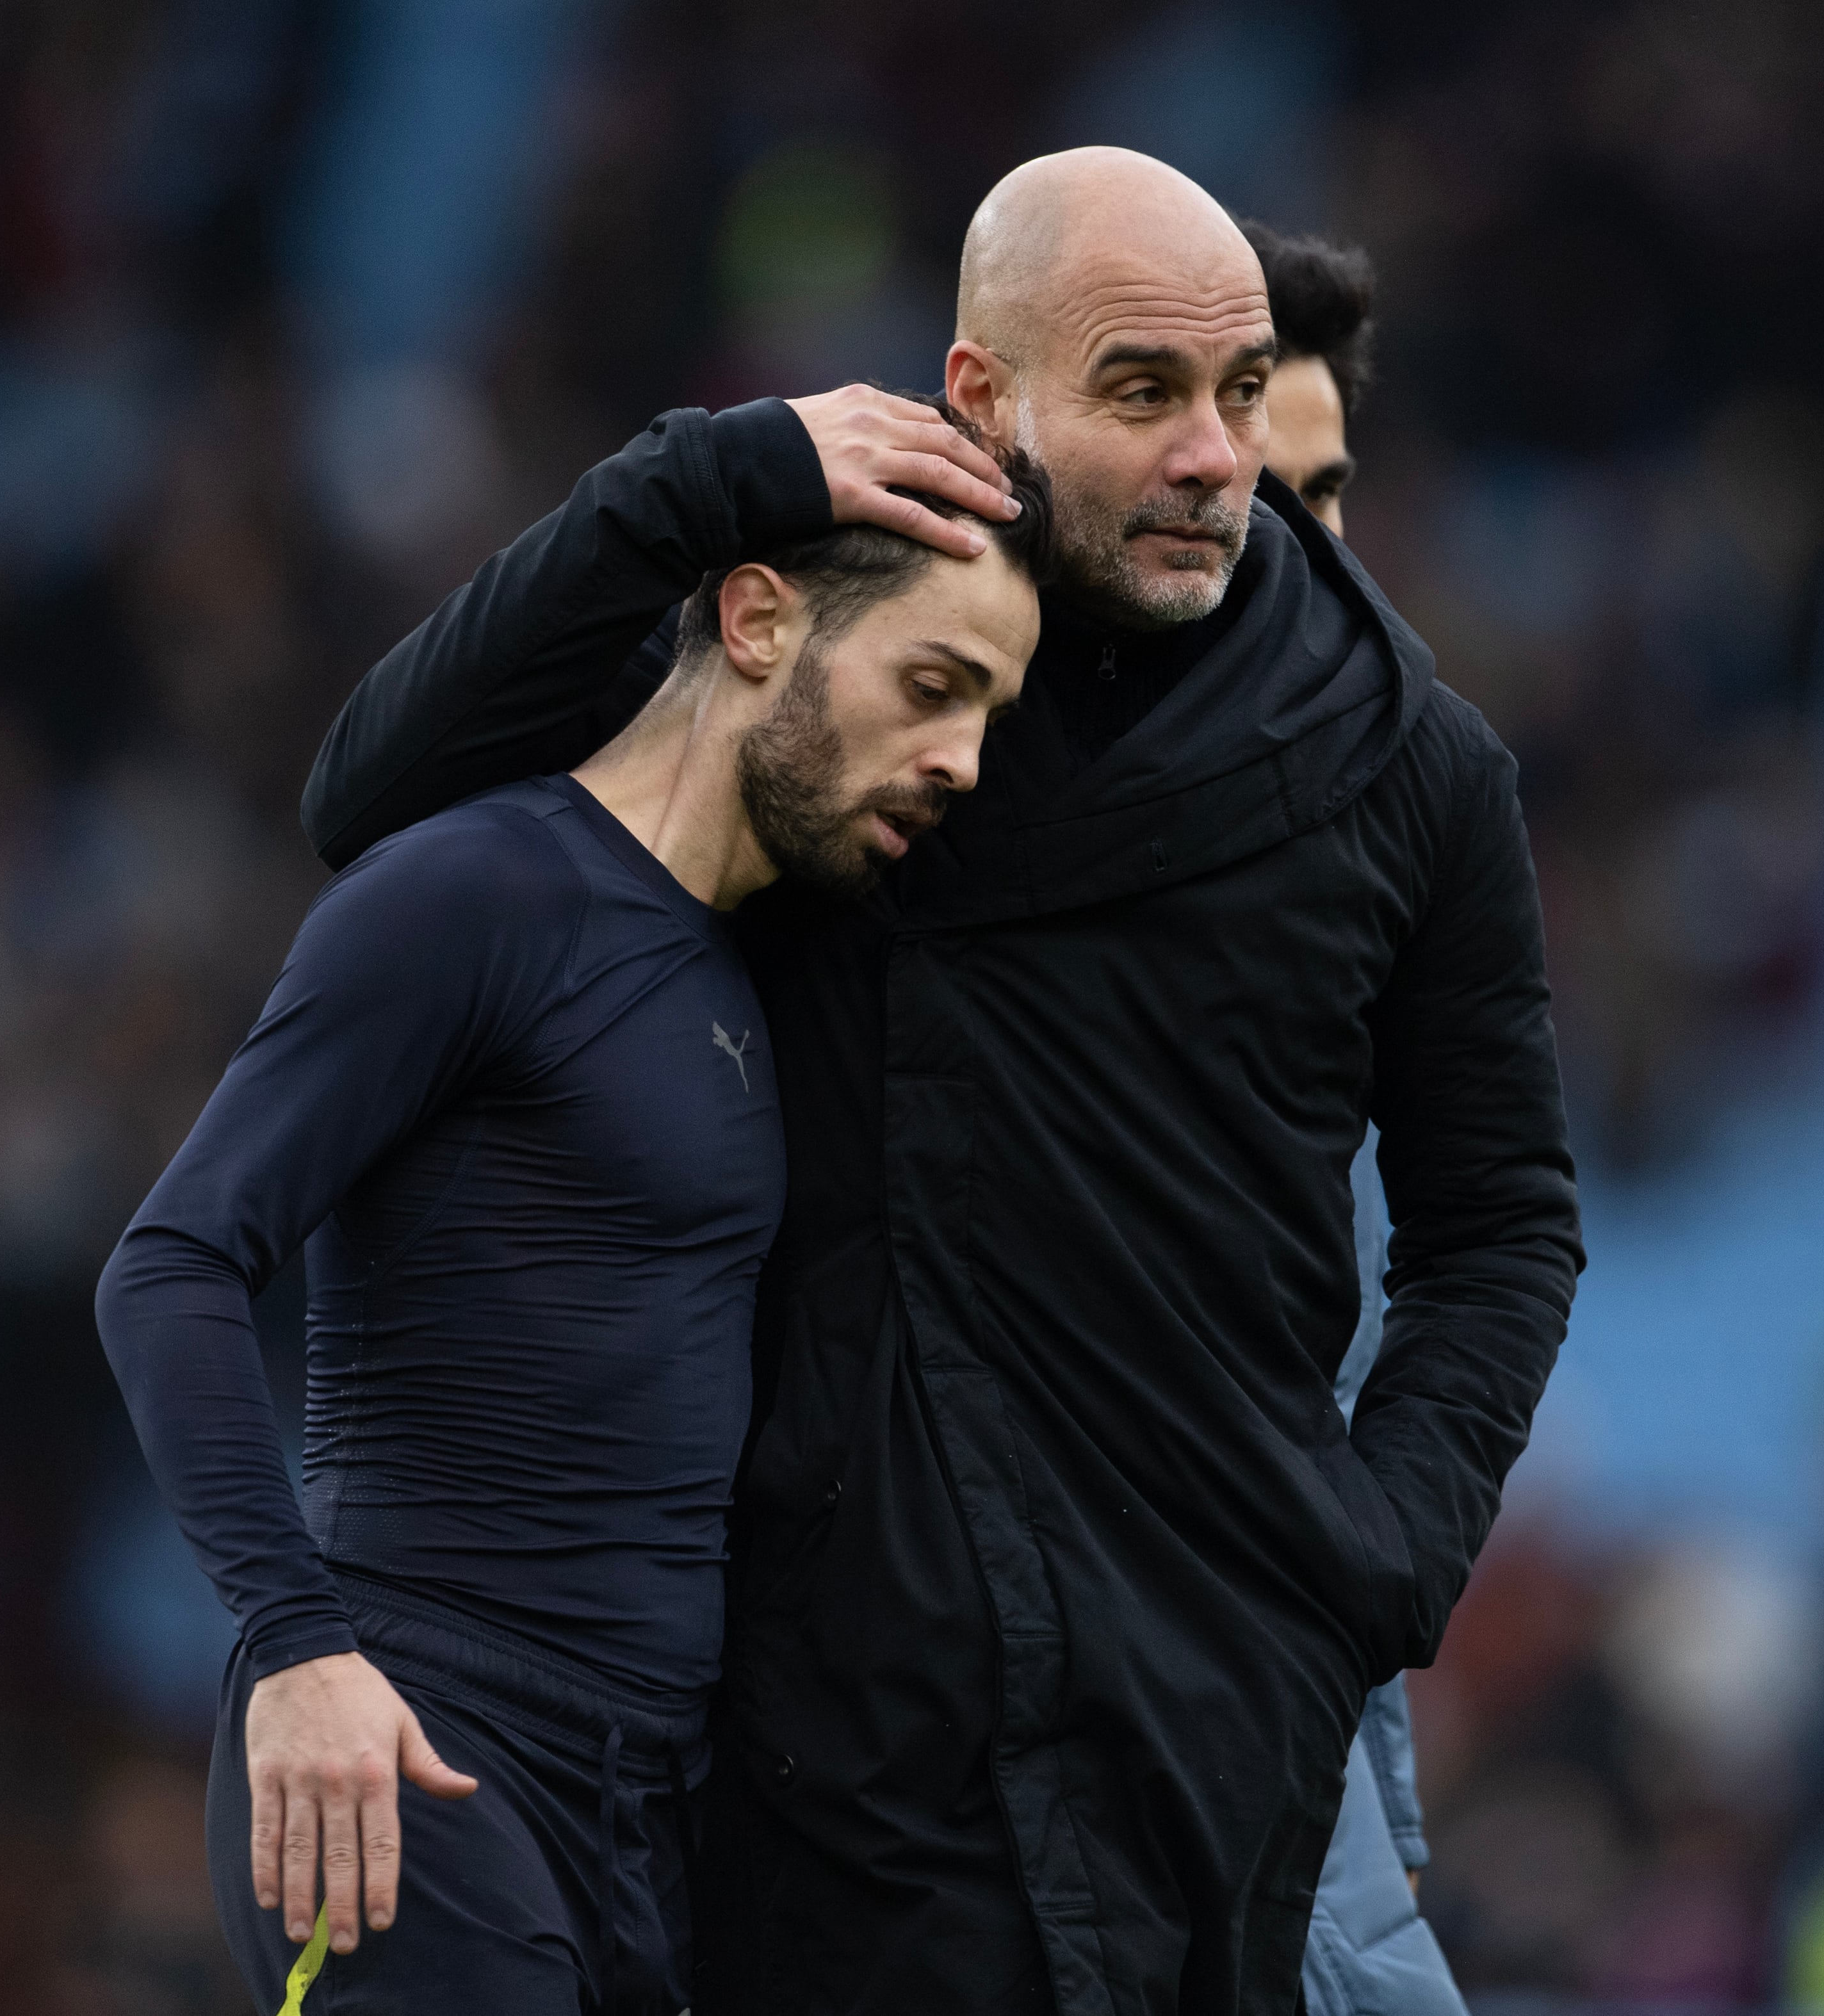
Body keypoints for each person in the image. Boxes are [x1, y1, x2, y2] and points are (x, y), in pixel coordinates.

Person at [302, 147, 1583, 2015]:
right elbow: (379, 808)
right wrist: (700, 479)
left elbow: (1505, 1222)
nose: (1214, 456)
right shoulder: (848, 654)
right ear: (983, 397)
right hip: (831, 1723)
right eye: (1142, 392)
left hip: (1212, 1704)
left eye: (1239, 395)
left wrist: (1378, 1557)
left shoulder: (1414, 765)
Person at [95, 407, 1050, 2015]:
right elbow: (173, 1263)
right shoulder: (474, 890)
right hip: (415, 1749)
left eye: (988, 717)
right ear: (754, 621)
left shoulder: (751, 969)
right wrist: (299, 1647)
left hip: (643, 1809)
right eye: (934, 686)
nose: (959, 758)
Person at [1241, 217, 1472, 2016]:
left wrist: (1379, 1559)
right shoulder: (931, 814)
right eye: (1254, 495)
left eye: (1325, 495)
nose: (1304, 555)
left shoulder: (1377, 827)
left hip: (1297, 1708)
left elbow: (1493, 1236)